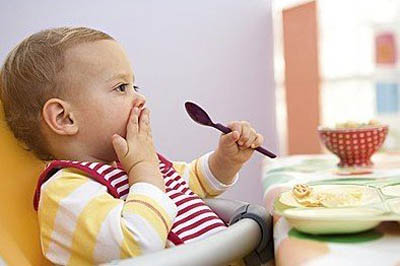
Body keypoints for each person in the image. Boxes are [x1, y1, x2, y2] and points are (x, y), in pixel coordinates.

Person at [0, 27, 265, 265]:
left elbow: (192, 183)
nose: (139, 97)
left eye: (134, 85)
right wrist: (144, 169)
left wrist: (226, 159)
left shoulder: (134, 165)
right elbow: (138, 246)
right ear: (65, 118)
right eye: (121, 87)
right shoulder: (64, 193)